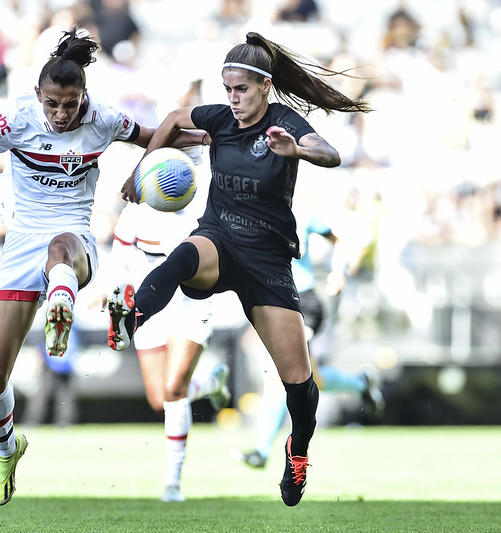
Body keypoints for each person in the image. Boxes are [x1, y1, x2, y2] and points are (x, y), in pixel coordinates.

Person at [0, 26, 203, 506]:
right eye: (53, 104)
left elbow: (161, 135)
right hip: (20, 244)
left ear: (83, 95)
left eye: (70, 104)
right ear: (37, 95)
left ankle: (61, 307)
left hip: (74, 241)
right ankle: (8, 449)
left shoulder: (104, 118)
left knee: (59, 252)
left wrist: (217, 135)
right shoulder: (15, 121)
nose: (62, 114)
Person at [107, 31, 369, 506]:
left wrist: (298, 150)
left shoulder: (285, 123)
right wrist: (137, 172)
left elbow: (331, 154)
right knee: (186, 254)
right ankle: (132, 312)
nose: (232, 98)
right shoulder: (220, 119)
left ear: (264, 87)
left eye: (241, 89)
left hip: (267, 262)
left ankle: (298, 454)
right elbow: (169, 120)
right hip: (221, 240)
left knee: (301, 389)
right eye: (227, 88)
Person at [236, 214, 385, 469]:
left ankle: (261, 451)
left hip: (303, 304)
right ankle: (361, 383)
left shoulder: (300, 216)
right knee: (315, 379)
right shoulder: (248, 215)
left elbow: (338, 240)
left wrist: (338, 272)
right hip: (274, 306)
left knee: (276, 375)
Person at [105, 199, 230, 502]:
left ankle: (173, 484)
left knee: (174, 390)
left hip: (192, 300)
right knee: (159, 398)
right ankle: (213, 381)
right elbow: (119, 258)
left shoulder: (203, 203)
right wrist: (108, 291)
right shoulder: (135, 210)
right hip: (149, 300)